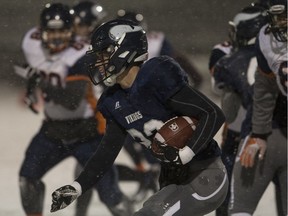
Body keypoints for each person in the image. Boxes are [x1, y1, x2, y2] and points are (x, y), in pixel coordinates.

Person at [50, 18, 228, 216]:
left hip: (204, 174)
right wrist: (77, 187)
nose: (99, 62)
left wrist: (185, 153)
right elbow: (106, 153)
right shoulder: (113, 100)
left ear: (124, 50)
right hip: (172, 179)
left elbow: (212, 113)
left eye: (105, 54)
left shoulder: (156, 75)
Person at [17, 3, 132, 216]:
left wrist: (37, 80)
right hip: (53, 131)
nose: (57, 37)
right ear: (41, 31)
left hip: (87, 132)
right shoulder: (31, 43)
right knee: (28, 178)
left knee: (110, 195)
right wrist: (32, 88)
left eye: (62, 31)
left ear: (72, 32)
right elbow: (41, 70)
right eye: (51, 31)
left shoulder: (81, 53)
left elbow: (71, 99)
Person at [228, 0, 287, 215]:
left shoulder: (231, 60)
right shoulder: (267, 37)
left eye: (284, 17)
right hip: (272, 130)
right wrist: (259, 132)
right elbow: (264, 89)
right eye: (276, 17)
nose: (280, 23)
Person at [212, 4, 268, 215]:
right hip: (279, 134)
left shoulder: (230, 61)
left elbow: (229, 110)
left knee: (231, 201)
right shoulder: (277, 55)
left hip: (242, 139)